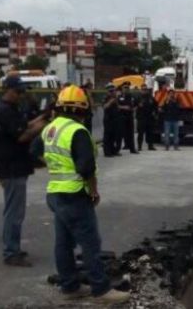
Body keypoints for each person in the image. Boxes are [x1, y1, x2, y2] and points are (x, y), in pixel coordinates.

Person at [42, 85, 130, 304]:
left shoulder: (51, 129)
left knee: (63, 242)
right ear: (83, 109)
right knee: (90, 243)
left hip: (55, 193)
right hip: (75, 194)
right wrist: (94, 192)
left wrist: (57, 166)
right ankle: (101, 290)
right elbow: (86, 168)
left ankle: (70, 285)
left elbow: (35, 152)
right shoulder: (77, 131)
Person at [0, 75, 48, 267]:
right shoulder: (5, 110)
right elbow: (23, 136)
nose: (21, 95)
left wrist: (43, 117)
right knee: (14, 213)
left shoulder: (10, 109)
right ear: (7, 90)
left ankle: (13, 248)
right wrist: (44, 125)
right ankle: (11, 252)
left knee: (14, 211)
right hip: (12, 167)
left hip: (15, 166)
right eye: (18, 91)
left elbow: (25, 126)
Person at [115, 84, 136, 154]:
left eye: (127, 88)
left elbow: (133, 105)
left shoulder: (131, 96)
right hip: (122, 116)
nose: (126, 89)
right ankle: (117, 149)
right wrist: (123, 107)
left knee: (130, 133)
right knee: (120, 133)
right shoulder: (119, 96)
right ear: (122, 89)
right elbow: (117, 106)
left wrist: (132, 108)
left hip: (129, 116)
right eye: (125, 88)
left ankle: (132, 149)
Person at [136, 85, 157, 151]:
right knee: (140, 133)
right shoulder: (138, 98)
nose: (144, 91)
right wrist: (138, 106)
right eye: (143, 89)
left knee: (150, 133)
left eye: (145, 89)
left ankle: (150, 146)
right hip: (141, 118)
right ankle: (139, 146)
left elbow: (156, 105)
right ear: (141, 90)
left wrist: (155, 113)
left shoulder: (151, 97)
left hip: (149, 118)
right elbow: (133, 106)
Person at [101, 85, 118, 157]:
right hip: (108, 119)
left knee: (113, 136)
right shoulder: (106, 98)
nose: (113, 93)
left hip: (114, 118)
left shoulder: (115, 98)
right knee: (107, 136)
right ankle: (107, 152)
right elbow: (104, 107)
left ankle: (113, 150)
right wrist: (110, 102)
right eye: (111, 91)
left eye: (113, 91)